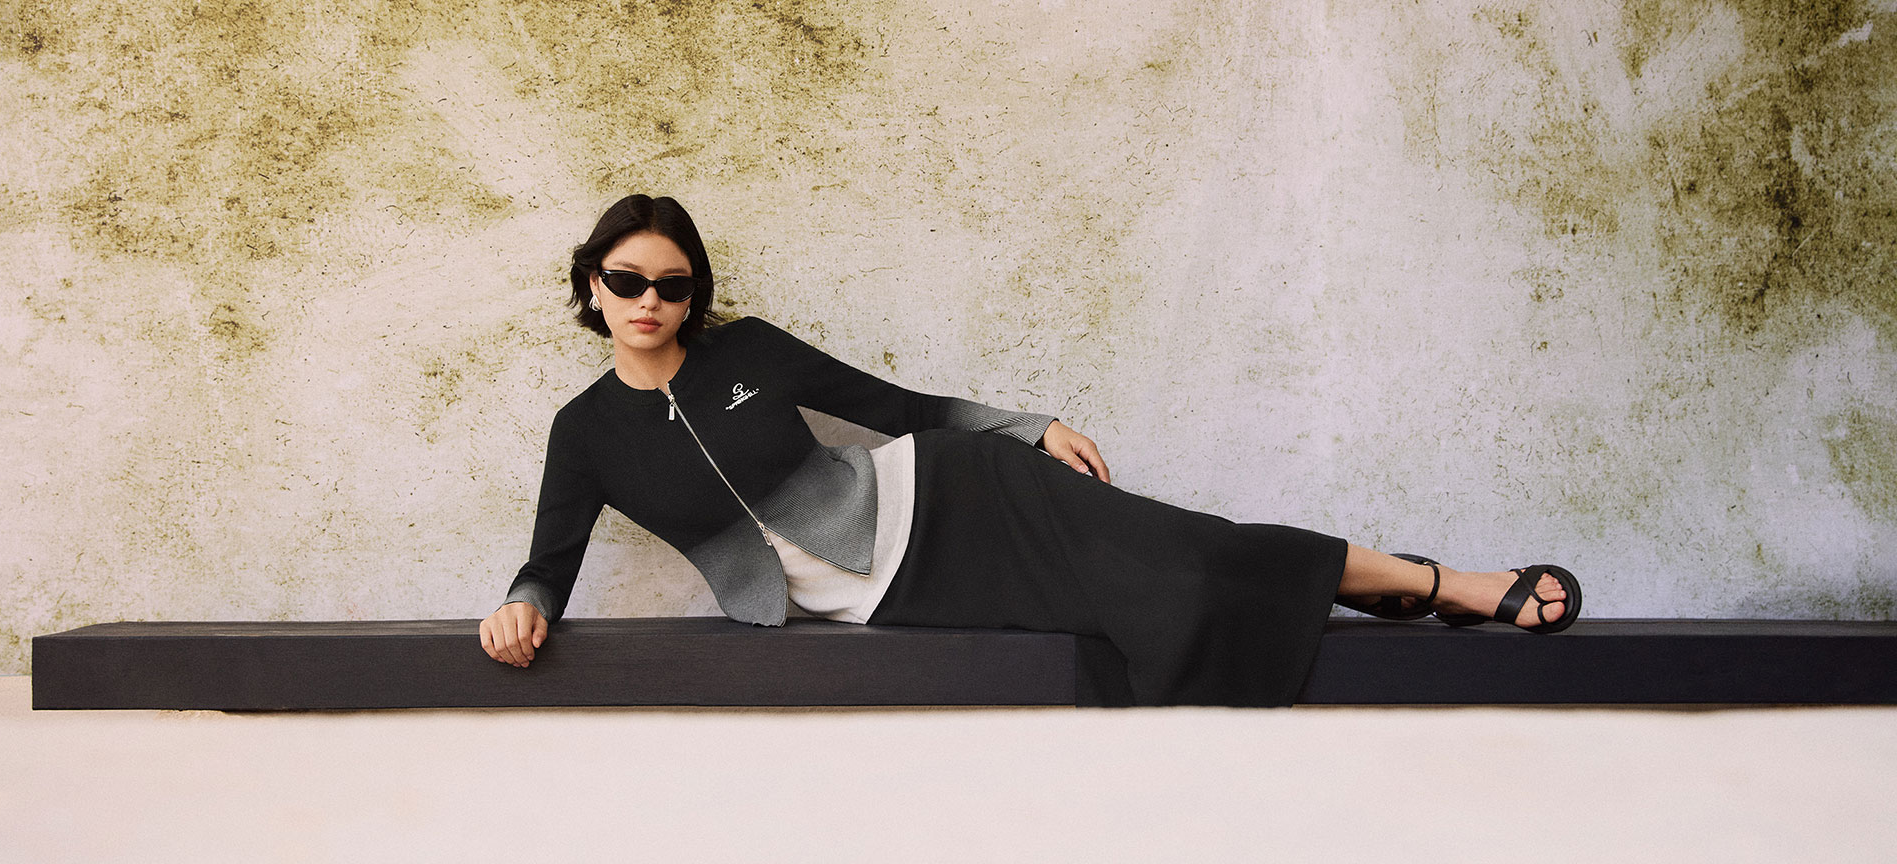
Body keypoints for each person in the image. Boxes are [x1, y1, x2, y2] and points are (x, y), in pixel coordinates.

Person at [478, 194, 1584, 707]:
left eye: (673, 284)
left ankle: (1443, 583)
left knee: (1186, 556)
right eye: (627, 280)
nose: (650, 299)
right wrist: (520, 608)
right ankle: (1379, 586)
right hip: (896, 596)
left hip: (956, 497)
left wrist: (1029, 428)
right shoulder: (586, 433)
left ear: (695, 295)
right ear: (592, 287)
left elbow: (895, 404)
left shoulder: (750, 350)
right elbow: (548, 564)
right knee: (1152, 609)